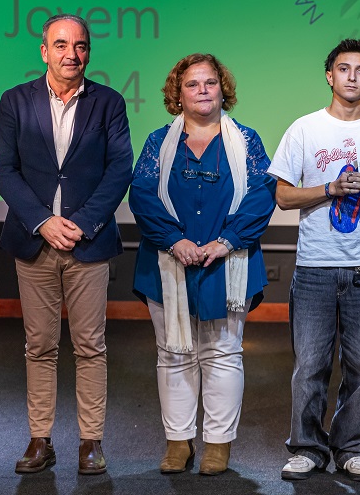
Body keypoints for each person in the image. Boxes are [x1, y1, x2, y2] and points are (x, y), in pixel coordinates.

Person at [0, 14, 133, 475]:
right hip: (34, 242)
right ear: (44, 51)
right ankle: (40, 440)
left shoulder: (109, 103)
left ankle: (90, 443)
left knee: (91, 345)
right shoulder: (14, 101)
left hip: (87, 243)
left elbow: (119, 170)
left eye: (81, 46)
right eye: (61, 44)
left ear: (88, 52)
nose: (72, 54)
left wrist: (80, 223)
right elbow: (4, 171)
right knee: (40, 346)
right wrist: (42, 222)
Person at [129, 53, 276, 476]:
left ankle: (217, 445)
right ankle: (178, 443)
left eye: (210, 83)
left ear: (222, 88)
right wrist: (175, 240)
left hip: (227, 263)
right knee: (173, 355)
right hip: (167, 263)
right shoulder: (159, 142)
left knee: (224, 355)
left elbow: (261, 196)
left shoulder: (246, 141)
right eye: (192, 84)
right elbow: (141, 194)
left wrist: (225, 242)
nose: (203, 91)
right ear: (178, 94)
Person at [268, 39, 360, 482]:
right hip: (314, 267)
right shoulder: (305, 129)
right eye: (343, 69)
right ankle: (306, 448)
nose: (351, 77)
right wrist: (330, 189)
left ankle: (353, 447)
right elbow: (283, 195)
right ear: (329, 75)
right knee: (310, 364)